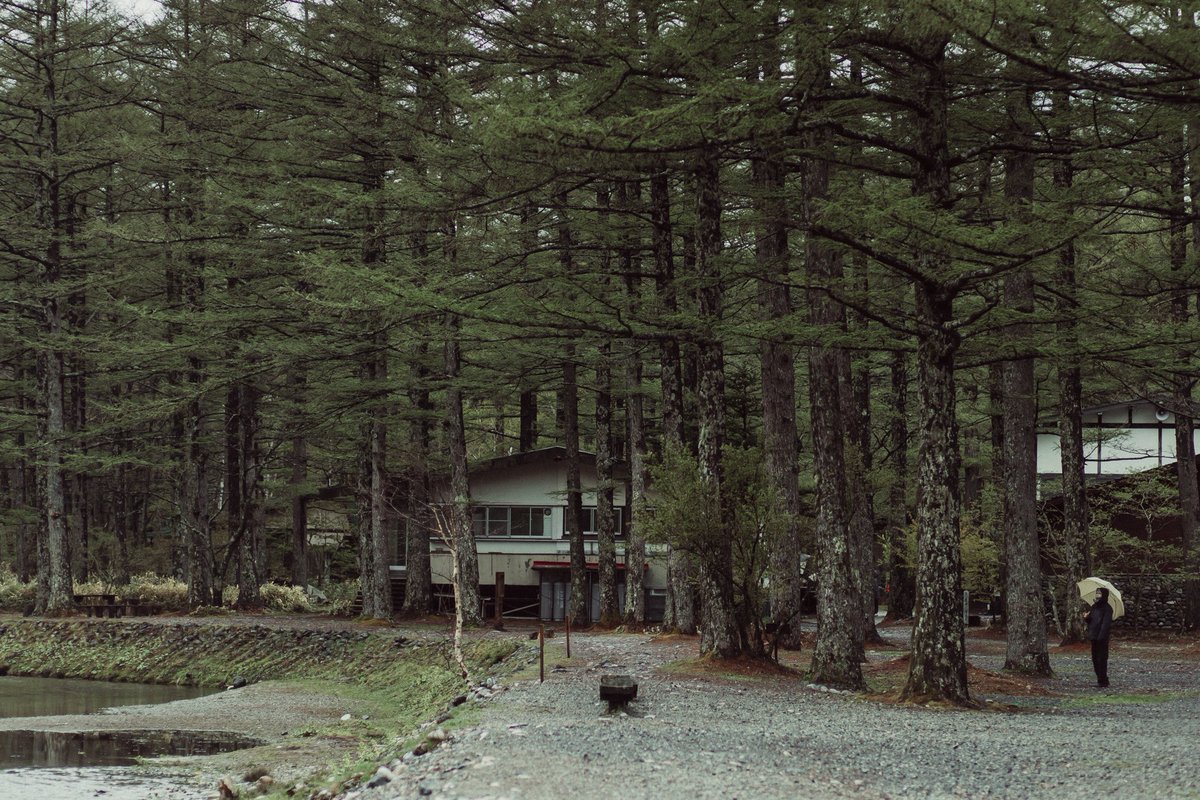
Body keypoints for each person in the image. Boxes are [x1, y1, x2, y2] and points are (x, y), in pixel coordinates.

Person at [1085, 587, 1114, 687]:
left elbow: (1105, 624)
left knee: (1102, 659)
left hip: (1102, 639)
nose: (1098, 595)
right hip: (1093, 637)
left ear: (1104, 595)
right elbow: (1091, 621)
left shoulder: (1108, 608)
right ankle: (1099, 678)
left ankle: (1103, 680)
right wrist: (1087, 618)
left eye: (1099, 593)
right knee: (1095, 659)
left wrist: (1101, 637)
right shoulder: (1094, 606)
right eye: (1097, 592)